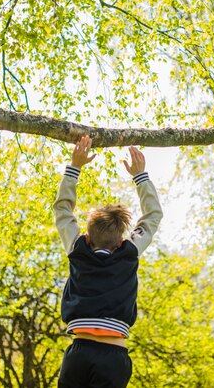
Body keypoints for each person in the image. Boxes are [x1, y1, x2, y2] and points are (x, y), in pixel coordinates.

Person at [53, 135, 163, 388]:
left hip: (78, 352)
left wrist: (75, 166)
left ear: (87, 236)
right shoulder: (129, 252)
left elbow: (63, 211)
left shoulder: (78, 249)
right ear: (122, 238)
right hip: (113, 356)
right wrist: (140, 176)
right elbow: (153, 215)